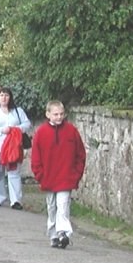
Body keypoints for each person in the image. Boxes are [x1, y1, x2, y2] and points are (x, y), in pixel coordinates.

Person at [31, 101, 86, 248]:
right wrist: (39, 175)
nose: (59, 117)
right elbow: (35, 156)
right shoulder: (41, 133)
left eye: (61, 114)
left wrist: (76, 174)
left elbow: (80, 154)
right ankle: (53, 234)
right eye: (55, 114)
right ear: (48, 114)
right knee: (52, 207)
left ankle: (63, 233)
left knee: (63, 205)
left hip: (66, 177)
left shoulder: (71, 131)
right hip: (48, 177)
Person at [0, 87, 31, 209]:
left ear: (10, 97)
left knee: (14, 172)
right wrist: (1, 131)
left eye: (6, 95)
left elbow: (26, 124)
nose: (4, 98)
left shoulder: (17, 111)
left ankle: (16, 200)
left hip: (13, 147)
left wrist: (15, 130)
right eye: (1, 95)